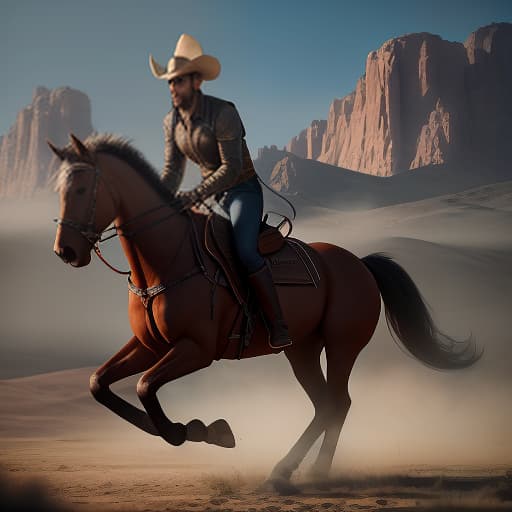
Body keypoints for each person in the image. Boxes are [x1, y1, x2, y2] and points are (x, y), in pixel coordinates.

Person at [149, 34, 292, 349]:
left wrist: (196, 193)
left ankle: (278, 325)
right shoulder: (170, 122)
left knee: (245, 251)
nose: (172, 88)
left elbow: (231, 167)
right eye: (169, 82)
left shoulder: (224, 113)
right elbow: (173, 170)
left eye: (179, 81)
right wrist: (159, 200)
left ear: (197, 81)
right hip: (213, 198)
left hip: (241, 191)